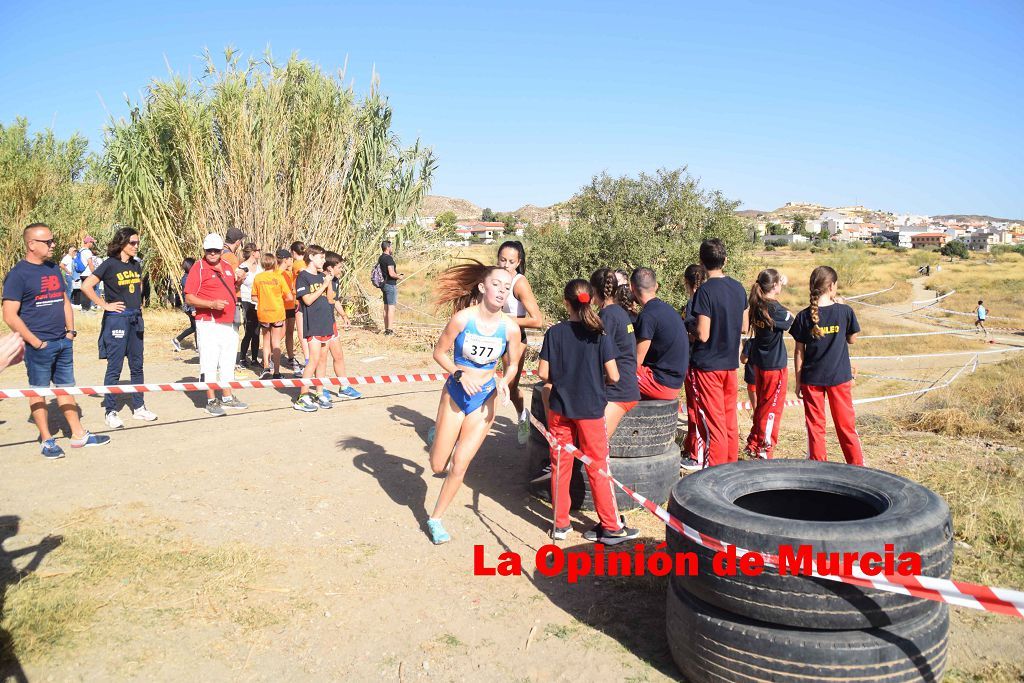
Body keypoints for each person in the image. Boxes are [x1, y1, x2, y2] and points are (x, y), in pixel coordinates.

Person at [423, 262, 523, 544]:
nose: (502, 291)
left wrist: (504, 380)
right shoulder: (462, 319)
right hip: (455, 393)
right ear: (482, 287)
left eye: (507, 287)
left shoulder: (510, 328)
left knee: (460, 464)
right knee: (437, 465)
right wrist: (458, 372)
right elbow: (439, 353)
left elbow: (513, 363)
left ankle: (436, 518)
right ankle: (439, 436)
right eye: (496, 285)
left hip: (484, 399)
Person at [540, 279, 639, 545]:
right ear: (590, 299)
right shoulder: (599, 333)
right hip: (591, 410)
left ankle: (560, 525)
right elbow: (615, 376)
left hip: (560, 410)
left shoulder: (555, 333)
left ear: (565, 303)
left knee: (561, 465)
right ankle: (610, 525)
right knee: (598, 467)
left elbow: (542, 373)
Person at [2, 223, 111, 458]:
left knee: (66, 388)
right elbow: (9, 315)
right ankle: (47, 440)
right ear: (32, 244)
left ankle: (79, 435)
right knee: (38, 391)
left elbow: (63, 301)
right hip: (37, 346)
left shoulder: (53, 269)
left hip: (62, 341)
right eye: (48, 242)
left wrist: (70, 332)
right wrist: (34, 341)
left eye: (52, 241)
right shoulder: (18, 275)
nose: (53, 245)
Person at [81, 226, 158, 428]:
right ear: (122, 243)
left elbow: (138, 288)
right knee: (114, 367)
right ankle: (111, 410)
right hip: (117, 320)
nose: (136, 246)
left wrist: (138, 304)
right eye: (132, 242)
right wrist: (105, 305)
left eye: (137, 242)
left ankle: (139, 407)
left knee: (137, 365)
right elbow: (86, 286)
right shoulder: (109, 265)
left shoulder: (136, 265)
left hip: (135, 320)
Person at [790, 266, 863, 465]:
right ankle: (857, 466)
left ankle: (818, 467)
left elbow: (799, 353)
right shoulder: (845, 311)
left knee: (815, 427)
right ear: (832, 286)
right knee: (845, 425)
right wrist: (842, 306)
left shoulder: (803, 316)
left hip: (811, 379)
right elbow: (852, 339)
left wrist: (797, 383)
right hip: (839, 378)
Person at [689, 239, 748, 467]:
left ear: (702, 263)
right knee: (729, 421)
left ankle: (714, 475)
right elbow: (744, 326)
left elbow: (703, 334)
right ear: (725, 260)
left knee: (714, 425)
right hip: (729, 365)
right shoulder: (738, 287)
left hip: (707, 366)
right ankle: (730, 469)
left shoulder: (705, 291)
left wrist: (688, 326)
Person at [183, 233, 249, 416]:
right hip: (208, 322)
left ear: (221, 250)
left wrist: (240, 282)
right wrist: (211, 304)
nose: (212, 253)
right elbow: (189, 297)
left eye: (216, 250)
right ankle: (211, 399)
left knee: (228, 360)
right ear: (204, 250)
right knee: (209, 361)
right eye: (209, 250)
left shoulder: (228, 266)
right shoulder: (199, 267)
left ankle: (227, 396)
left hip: (228, 321)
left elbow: (232, 289)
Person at [497, 240, 545, 444]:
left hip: (514, 339)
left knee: (510, 385)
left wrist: (504, 319)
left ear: (518, 263)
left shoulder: (520, 282)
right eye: (502, 260)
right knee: (478, 380)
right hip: (490, 335)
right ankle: (448, 427)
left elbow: (537, 320)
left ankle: (522, 417)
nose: (505, 265)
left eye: (510, 261)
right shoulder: (493, 277)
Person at [744, 269, 793, 460]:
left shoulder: (756, 304)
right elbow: (794, 321)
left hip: (760, 364)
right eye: (779, 283)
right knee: (772, 409)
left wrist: (780, 280)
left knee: (763, 406)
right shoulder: (776, 309)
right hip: (775, 366)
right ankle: (765, 448)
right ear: (774, 286)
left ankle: (754, 442)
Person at [589, 268, 640, 438]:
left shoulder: (607, 316)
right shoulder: (618, 312)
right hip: (624, 384)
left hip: (619, 391)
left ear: (594, 290)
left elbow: (600, 354)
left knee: (596, 440)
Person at [630, 267, 688, 400]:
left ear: (632, 287)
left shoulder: (648, 316)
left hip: (661, 384)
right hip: (675, 382)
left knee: (617, 372)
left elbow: (636, 361)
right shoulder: (667, 309)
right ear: (656, 286)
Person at [292, 245, 334, 412]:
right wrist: (323, 285)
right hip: (313, 323)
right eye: (321, 258)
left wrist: (328, 282)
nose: (323, 261)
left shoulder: (321, 277)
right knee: (314, 360)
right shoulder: (303, 277)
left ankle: (319, 392)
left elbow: (330, 299)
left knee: (323, 360)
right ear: (311, 257)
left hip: (325, 321)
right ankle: (303, 395)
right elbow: (307, 300)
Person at [320, 251, 362, 401]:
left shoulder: (335, 280)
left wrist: (343, 315)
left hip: (331, 322)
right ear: (330, 267)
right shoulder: (320, 279)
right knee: (322, 358)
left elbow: (335, 300)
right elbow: (328, 299)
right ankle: (321, 388)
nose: (341, 270)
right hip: (319, 323)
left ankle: (344, 387)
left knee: (338, 355)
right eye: (339, 267)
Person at [681, 263, 708, 470]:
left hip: (695, 360)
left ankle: (696, 455)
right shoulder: (709, 299)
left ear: (687, 282)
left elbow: (694, 332)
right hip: (711, 361)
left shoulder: (694, 302)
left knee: (695, 409)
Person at [251, 252, 290, 379]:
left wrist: (264, 300)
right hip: (277, 312)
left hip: (264, 313)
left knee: (266, 341)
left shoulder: (258, 277)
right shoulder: (279, 277)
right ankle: (277, 372)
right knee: (276, 342)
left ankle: (266, 367)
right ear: (274, 263)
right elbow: (289, 297)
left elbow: (253, 297)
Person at [237, 243, 262, 368]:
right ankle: (242, 358)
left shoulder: (259, 266)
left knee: (257, 331)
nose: (259, 252)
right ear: (253, 252)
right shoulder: (242, 266)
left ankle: (254, 358)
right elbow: (238, 282)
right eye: (258, 250)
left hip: (258, 301)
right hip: (247, 300)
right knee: (249, 330)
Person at [277, 249, 299, 370]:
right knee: (280, 333)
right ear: (285, 260)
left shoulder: (290, 273)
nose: (292, 260)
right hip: (283, 307)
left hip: (291, 305)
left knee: (289, 332)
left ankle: (291, 357)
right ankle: (270, 357)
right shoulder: (279, 273)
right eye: (290, 259)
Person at [290, 241, 309, 373]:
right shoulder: (307, 262)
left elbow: (303, 273)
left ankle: (308, 361)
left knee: (302, 333)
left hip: (298, 300)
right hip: (305, 297)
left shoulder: (298, 263)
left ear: (293, 252)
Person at [172, 257, 197, 352]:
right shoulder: (186, 279)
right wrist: (193, 309)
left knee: (195, 327)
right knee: (195, 327)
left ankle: (177, 340)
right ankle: (177, 339)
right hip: (190, 306)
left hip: (190, 306)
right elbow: (189, 295)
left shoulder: (188, 277)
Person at [378, 240, 403, 336]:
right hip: (390, 285)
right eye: (391, 247)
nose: (392, 249)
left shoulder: (381, 258)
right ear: (388, 247)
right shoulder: (389, 259)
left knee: (385, 307)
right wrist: (399, 276)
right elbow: (391, 273)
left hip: (384, 285)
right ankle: (390, 330)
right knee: (391, 308)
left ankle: (386, 329)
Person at [77, 235, 98, 311]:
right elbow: (90, 264)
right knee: (88, 291)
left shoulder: (81, 250)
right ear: (88, 242)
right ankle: (86, 308)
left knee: (84, 291)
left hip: (82, 273)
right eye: (92, 242)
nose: (92, 244)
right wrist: (95, 273)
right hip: (88, 273)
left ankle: (84, 307)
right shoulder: (88, 251)